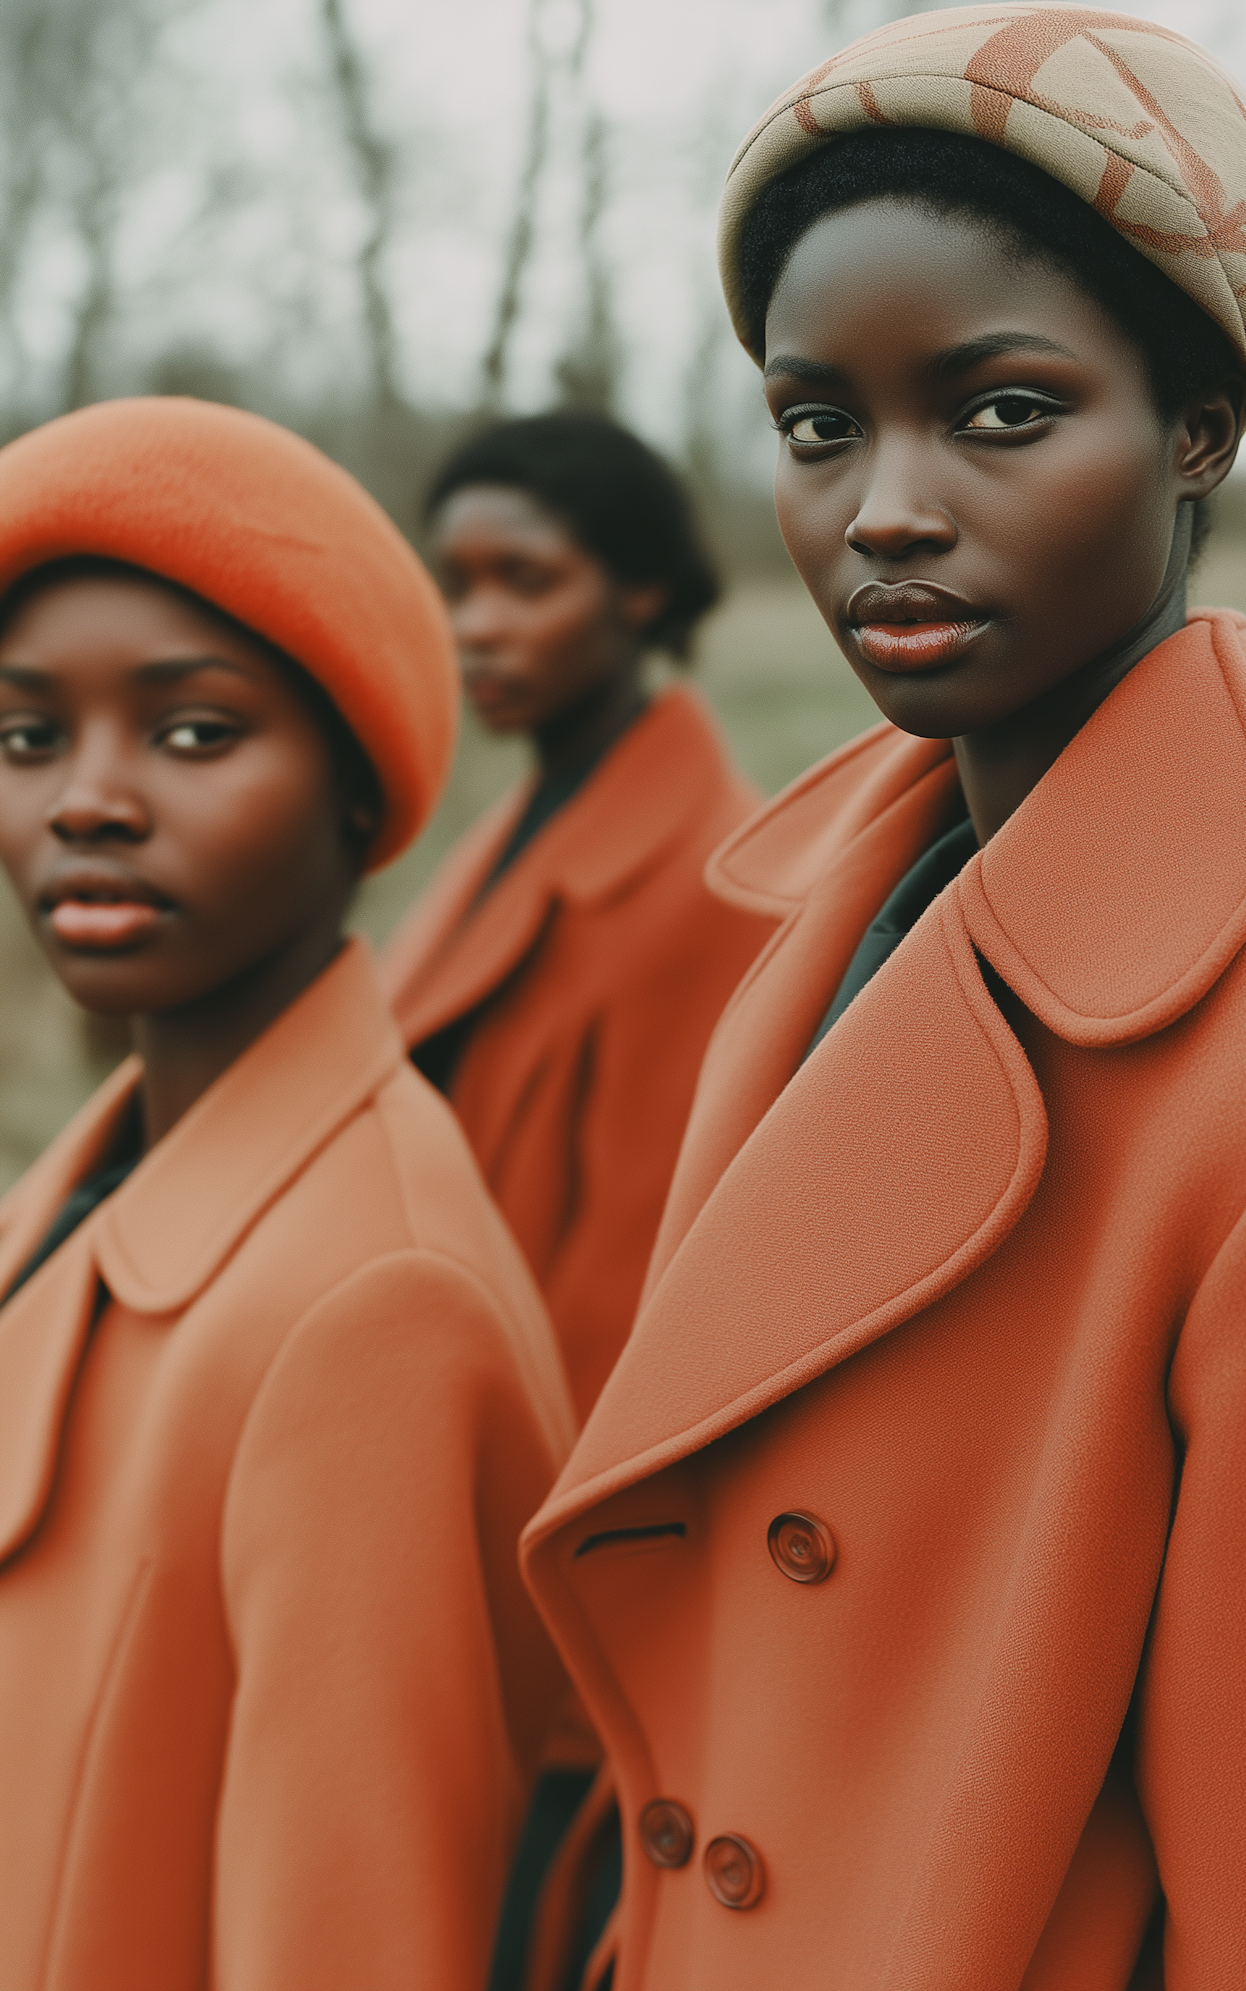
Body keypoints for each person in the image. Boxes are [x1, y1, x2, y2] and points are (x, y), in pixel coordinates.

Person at [519, 10, 1246, 1990]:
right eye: (819, 423)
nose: (884, 503)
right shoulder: (828, 905)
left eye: (1000, 411)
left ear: (1201, 426)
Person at [0, 397, 576, 1991]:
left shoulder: (365, 1305)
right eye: (26, 733)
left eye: (194, 731)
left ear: (354, 783)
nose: (84, 801)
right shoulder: (81, 1194)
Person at [384, 413, 775, 1426]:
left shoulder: (711, 879)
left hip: (534, 1445)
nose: (474, 623)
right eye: (457, 584)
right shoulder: (524, 817)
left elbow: (639, 1285)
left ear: (639, 590)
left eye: (525, 579)